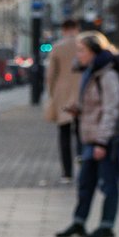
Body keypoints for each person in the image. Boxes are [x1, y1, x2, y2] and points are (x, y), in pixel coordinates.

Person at [56, 31, 119, 237]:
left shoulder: (107, 75)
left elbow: (112, 109)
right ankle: (79, 222)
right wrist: (79, 109)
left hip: (104, 140)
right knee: (85, 183)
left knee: (108, 184)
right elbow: (95, 106)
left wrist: (102, 141)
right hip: (89, 139)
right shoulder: (90, 73)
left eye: (81, 50)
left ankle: (106, 225)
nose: (78, 54)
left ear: (94, 51)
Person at [45, 16, 83, 182]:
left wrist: (53, 94)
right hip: (83, 93)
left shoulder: (57, 48)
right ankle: (84, 166)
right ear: (77, 28)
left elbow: (50, 75)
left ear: (63, 29)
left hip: (63, 95)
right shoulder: (84, 46)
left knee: (64, 134)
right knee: (83, 132)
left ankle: (67, 173)